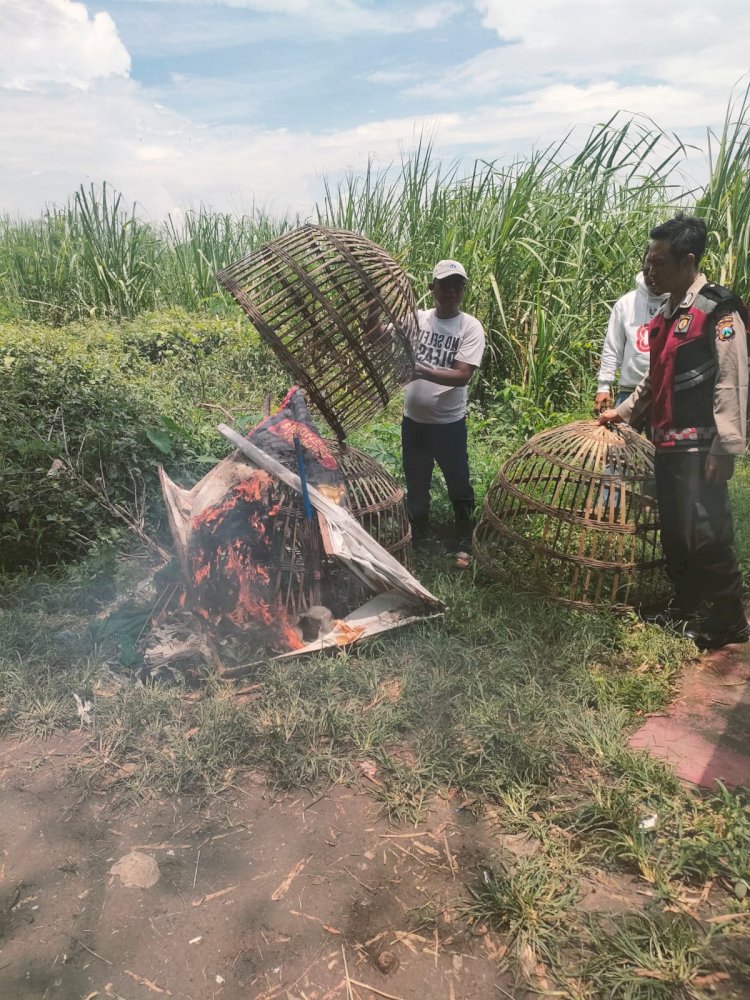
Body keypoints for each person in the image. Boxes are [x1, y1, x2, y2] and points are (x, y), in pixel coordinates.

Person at [598, 213, 749, 649]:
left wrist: (727, 445)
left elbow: (731, 379)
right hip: (667, 443)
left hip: (702, 445)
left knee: (707, 529)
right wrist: (623, 413)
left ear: (687, 261)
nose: (650, 270)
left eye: (658, 262)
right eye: (647, 261)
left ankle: (728, 618)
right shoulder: (668, 313)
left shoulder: (717, 310)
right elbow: (653, 379)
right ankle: (687, 606)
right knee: (677, 530)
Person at [402, 259, 486, 568]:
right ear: (431, 288)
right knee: (417, 483)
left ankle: (465, 539)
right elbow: (379, 332)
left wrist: (419, 368)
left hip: (448, 425)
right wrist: (373, 303)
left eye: (457, 285)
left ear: (462, 290)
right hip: (413, 423)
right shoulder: (418, 319)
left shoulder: (469, 327)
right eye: (445, 284)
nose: (451, 290)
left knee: (458, 483)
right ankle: (419, 537)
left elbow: (462, 375)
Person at [594, 264, 668, 414]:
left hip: (663, 392)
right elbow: (613, 347)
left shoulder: (677, 303)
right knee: (619, 437)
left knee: (661, 438)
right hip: (629, 391)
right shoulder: (626, 304)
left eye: (658, 270)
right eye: (647, 270)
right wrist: (603, 387)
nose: (652, 276)